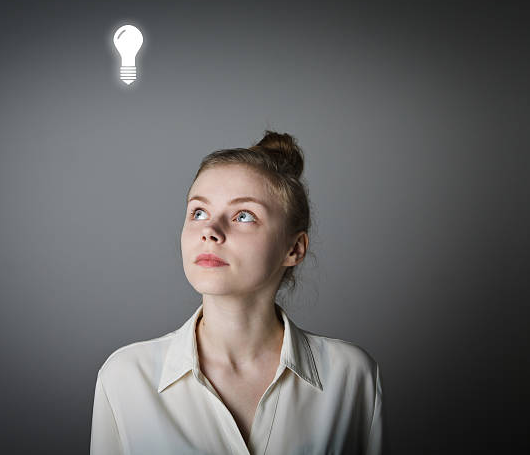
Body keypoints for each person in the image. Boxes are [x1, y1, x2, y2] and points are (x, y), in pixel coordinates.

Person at [90, 131, 384, 454]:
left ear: (294, 248)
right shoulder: (125, 379)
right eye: (198, 212)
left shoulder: (352, 377)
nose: (210, 232)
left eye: (243, 216)